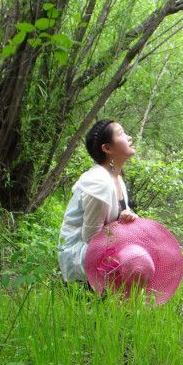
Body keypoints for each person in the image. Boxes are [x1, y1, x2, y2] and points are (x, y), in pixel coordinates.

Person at [59, 119, 140, 288]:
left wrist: (128, 217)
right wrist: (120, 226)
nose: (129, 137)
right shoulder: (99, 183)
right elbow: (91, 238)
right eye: (121, 133)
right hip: (81, 258)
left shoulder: (116, 178)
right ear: (107, 148)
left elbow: (120, 220)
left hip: (103, 251)